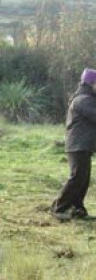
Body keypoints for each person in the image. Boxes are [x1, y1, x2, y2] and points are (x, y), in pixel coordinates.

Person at [51, 68, 96, 220]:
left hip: (82, 145)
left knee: (83, 179)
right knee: (77, 178)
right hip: (78, 145)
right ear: (92, 84)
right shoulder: (84, 100)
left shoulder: (86, 98)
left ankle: (77, 209)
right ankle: (59, 208)